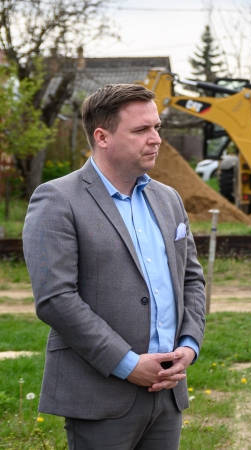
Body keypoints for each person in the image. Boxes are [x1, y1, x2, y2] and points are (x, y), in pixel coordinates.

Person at [22, 84, 206, 449]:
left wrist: (189, 345)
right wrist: (127, 363)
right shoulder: (57, 199)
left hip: (168, 391)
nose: (155, 139)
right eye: (141, 130)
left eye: (157, 127)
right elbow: (56, 298)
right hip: (100, 393)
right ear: (102, 137)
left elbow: (191, 279)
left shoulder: (168, 198)